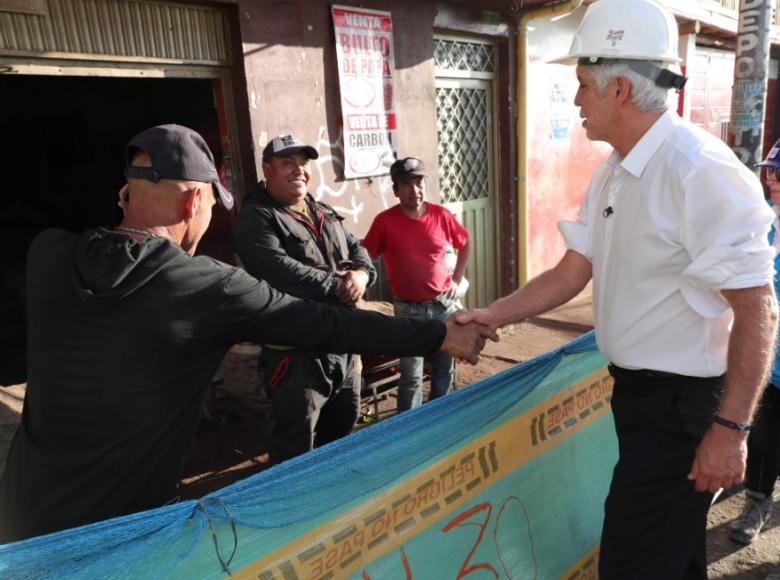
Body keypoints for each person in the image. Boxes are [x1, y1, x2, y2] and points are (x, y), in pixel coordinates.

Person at [0, 124, 495, 544]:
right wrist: (437, 337)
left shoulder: (46, 255)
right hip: (126, 537)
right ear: (195, 199)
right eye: (212, 203)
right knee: (292, 454)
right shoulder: (204, 285)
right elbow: (327, 322)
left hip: (22, 521)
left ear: (125, 192)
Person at [457, 1, 778, 578]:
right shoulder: (617, 169)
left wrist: (730, 430)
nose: (577, 99)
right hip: (640, 397)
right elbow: (571, 272)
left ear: (621, 89)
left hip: (685, 408)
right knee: (671, 555)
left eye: (583, 85)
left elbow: (758, 307)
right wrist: (490, 314)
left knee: (632, 562)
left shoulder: (699, 170)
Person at [231, 134, 376, 463]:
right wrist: (340, 283)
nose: (299, 170)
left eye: (303, 163)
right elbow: (281, 271)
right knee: (293, 450)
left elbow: (357, 248)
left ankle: (332, 501)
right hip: (297, 358)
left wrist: (363, 275)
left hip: (343, 349)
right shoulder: (256, 219)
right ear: (267, 169)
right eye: (287, 164)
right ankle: (291, 510)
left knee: (340, 436)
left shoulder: (320, 209)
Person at [362, 157, 470, 412]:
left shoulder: (441, 215)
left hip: (444, 305)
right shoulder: (384, 222)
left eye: (419, 182)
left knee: (444, 367)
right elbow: (365, 255)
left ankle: (438, 418)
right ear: (396, 190)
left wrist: (456, 280)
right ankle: (409, 427)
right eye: (407, 185)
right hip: (408, 312)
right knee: (411, 376)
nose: (415, 190)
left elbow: (464, 243)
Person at [729, 140, 780, 545]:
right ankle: (758, 502)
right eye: (770, 171)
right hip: (772, 368)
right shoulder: (762, 226)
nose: (772, 180)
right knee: (763, 438)